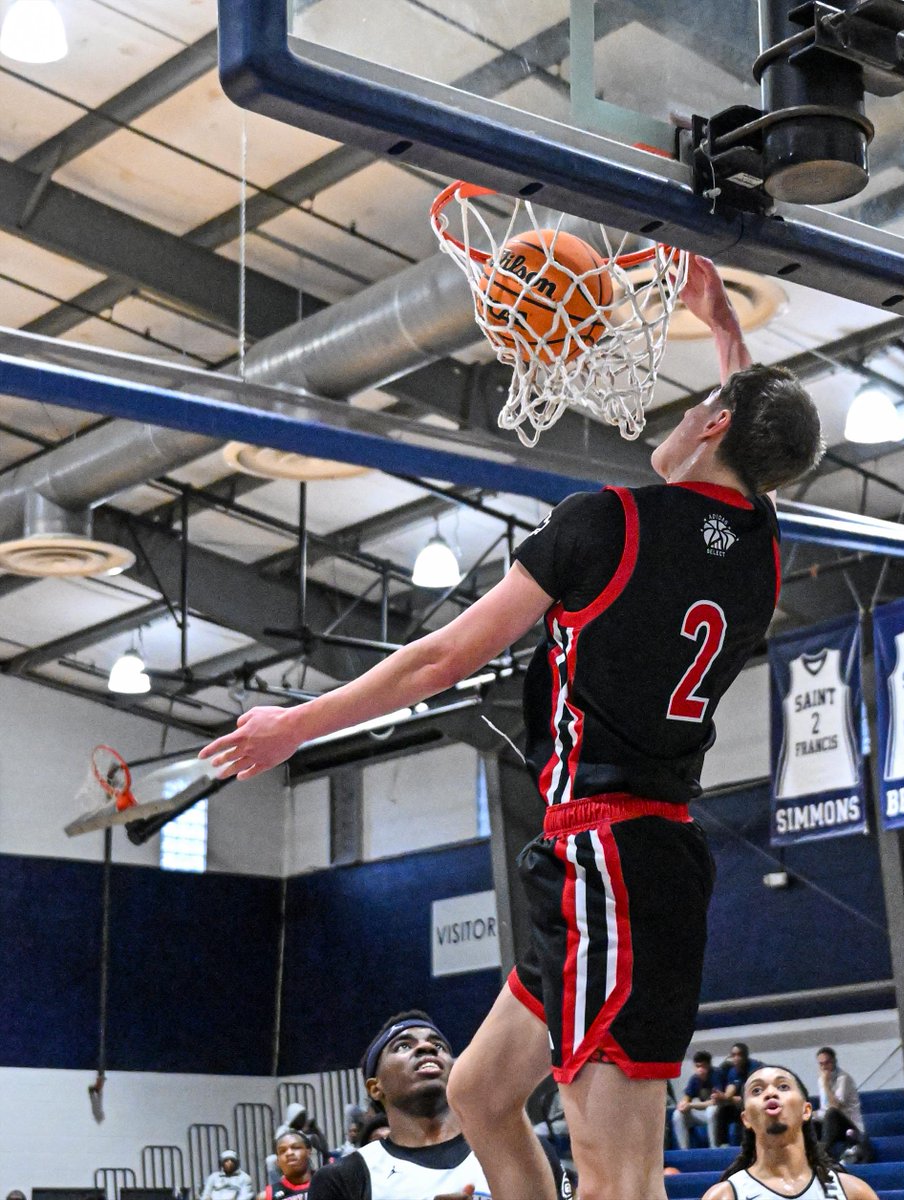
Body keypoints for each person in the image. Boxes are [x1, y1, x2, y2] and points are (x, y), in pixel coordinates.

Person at [201, 255, 824, 1200]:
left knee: (621, 1181)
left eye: (702, 407)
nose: (683, 414)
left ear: (715, 423)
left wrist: (298, 724)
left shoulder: (605, 522)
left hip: (609, 858)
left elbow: (439, 660)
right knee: (482, 1091)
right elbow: (756, 452)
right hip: (623, 855)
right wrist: (722, 323)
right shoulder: (761, 551)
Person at [308, 1010, 570, 1200]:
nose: (425, 1047)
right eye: (402, 1046)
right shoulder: (343, 1179)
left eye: (438, 1045)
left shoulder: (522, 1149)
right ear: (376, 1087)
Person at [700, 1065, 904, 1200]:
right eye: (757, 1090)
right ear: (746, 1119)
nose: (770, 1093)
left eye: (783, 1086)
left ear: (807, 1110)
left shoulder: (853, 1192)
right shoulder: (724, 1196)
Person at [813, 1047, 865, 1159]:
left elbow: (835, 1107)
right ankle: (813, 1155)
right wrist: (810, 1115)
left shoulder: (843, 1078)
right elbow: (824, 1109)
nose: (824, 1067)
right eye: (821, 1064)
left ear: (834, 1062)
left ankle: (822, 1152)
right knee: (810, 1122)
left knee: (832, 1113)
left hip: (850, 1126)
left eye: (827, 1063)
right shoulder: (821, 1080)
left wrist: (826, 1084)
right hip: (833, 1126)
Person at [715, 1043, 765, 1147]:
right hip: (742, 1104)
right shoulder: (733, 1071)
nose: (736, 1058)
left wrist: (730, 1099)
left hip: (759, 1104)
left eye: (739, 1055)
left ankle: (754, 1146)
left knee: (748, 1108)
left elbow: (753, 1098)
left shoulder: (755, 1069)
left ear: (745, 1056)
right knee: (722, 1111)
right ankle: (722, 1146)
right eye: (733, 1055)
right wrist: (722, 1097)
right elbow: (730, 1091)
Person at [673, 1051, 725, 1149]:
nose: (700, 1069)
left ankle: (714, 1147)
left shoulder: (716, 1075)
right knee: (677, 1114)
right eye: (697, 1066)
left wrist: (691, 1105)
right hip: (702, 1114)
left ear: (709, 1065)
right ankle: (684, 1150)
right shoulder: (694, 1079)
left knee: (711, 1110)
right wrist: (683, 1105)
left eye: (703, 1066)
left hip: (718, 1114)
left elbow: (714, 1102)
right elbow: (687, 1098)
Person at [259, 1129, 313, 1200]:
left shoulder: (328, 1183)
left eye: (296, 1147)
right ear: (277, 1161)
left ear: (308, 1152)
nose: (289, 1153)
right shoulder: (266, 1197)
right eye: (282, 1151)